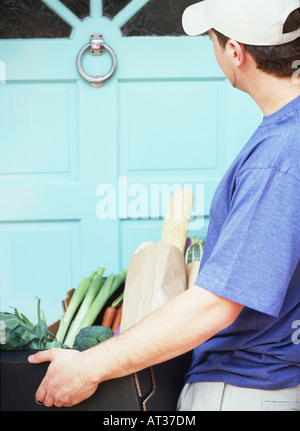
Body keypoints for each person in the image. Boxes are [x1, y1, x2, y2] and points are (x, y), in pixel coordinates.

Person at [28, 0, 300, 411]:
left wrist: (90, 367)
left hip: (249, 389)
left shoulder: (278, 157)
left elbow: (216, 305)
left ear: (235, 52)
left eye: (213, 40)